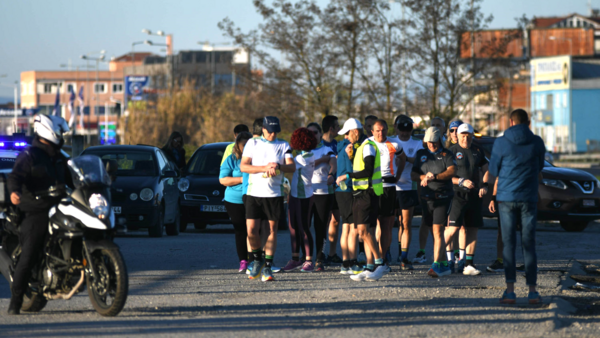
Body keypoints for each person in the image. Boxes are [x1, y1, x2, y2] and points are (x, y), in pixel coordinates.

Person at [7, 114, 72, 315]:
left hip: (59, 207)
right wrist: (14, 192)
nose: (62, 136)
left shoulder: (60, 157)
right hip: (36, 209)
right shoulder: (31, 155)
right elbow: (15, 176)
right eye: (60, 132)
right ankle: (16, 301)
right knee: (30, 253)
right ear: (49, 131)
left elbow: (75, 177)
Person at [488, 109, 545, 304]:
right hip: (528, 198)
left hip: (506, 198)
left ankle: (510, 291)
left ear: (511, 122)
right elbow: (540, 167)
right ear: (528, 122)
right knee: (529, 244)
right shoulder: (537, 142)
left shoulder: (501, 142)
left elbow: (493, 170)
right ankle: (532, 292)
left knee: (509, 243)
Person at [241, 116, 295, 282]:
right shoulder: (252, 143)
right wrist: (264, 168)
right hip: (254, 192)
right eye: (270, 131)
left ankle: (268, 266)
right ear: (263, 129)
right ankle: (257, 260)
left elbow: (292, 166)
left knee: (272, 230)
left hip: (274, 194)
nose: (273, 134)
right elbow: (244, 166)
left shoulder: (284, 145)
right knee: (251, 230)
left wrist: (278, 166)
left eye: (275, 131)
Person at [336, 122, 388, 282]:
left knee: (364, 231)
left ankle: (380, 264)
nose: (346, 137)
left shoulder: (367, 146)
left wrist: (348, 175)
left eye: (348, 133)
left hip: (367, 193)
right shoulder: (361, 146)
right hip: (362, 193)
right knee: (365, 232)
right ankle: (370, 266)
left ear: (355, 132)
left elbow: (368, 170)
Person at [445, 123, 489, 276]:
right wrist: (461, 181)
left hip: (474, 195)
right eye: (463, 135)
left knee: (472, 228)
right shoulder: (451, 151)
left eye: (468, 135)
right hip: (457, 195)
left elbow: (486, 169)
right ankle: (444, 259)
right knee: (452, 229)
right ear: (457, 136)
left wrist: (485, 185)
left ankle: (468, 263)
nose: (466, 138)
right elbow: (446, 176)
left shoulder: (478, 150)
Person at [411, 127, 456, 278]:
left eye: (434, 142)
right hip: (426, 198)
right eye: (428, 142)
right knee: (433, 231)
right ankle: (443, 263)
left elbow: (452, 171)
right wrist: (423, 177)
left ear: (439, 140)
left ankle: (436, 264)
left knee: (438, 230)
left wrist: (434, 177)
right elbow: (413, 174)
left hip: (443, 197)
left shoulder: (447, 154)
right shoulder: (421, 154)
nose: (431, 145)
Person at [282, 128, 326, 272]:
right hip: (295, 195)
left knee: (304, 228)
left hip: (304, 197)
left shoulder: (304, 158)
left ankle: (308, 260)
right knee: (293, 228)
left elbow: (289, 167)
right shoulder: (305, 155)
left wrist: (287, 151)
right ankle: (295, 259)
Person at [369, 120, 406, 269]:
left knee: (386, 226)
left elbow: (402, 159)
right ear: (372, 131)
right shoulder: (367, 144)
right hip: (372, 188)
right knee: (371, 226)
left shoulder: (395, 144)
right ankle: (372, 259)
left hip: (389, 187)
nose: (380, 133)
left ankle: (383, 258)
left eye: (383, 130)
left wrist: (398, 176)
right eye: (377, 130)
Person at [390, 115, 423, 270]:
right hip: (389, 187)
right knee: (387, 223)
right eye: (402, 129)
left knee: (405, 224)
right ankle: (384, 255)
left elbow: (420, 162)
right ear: (396, 127)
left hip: (407, 187)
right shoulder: (389, 140)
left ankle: (403, 256)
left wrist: (404, 159)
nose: (404, 133)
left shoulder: (417, 143)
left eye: (408, 129)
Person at [220, 131, 254, 273]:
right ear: (237, 146)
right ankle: (243, 261)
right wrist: (242, 179)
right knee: (240, 230)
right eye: (243, 145)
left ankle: (254, 260)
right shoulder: (231, 159)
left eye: (248, 144)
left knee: (253, 230)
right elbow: (223, 180)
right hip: (234, 200)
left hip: (253, 197)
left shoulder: (257, 159)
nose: (246, 147)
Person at [413, 117, 446, 264]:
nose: (435, 127)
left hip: (444, 193)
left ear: (443, 128)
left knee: (442, 227)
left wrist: (437, 176)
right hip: (426, 193)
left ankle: (444, 256)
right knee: (426, 223)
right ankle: (422, 251)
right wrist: (423, 177)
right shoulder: (423, 150)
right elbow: (415, 171)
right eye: (433, 125)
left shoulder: (448, 145)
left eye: (438, 125)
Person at [307, 122, 337, 271]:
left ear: (320, 134)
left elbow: (333, 162)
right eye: (309, 133)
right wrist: (320, 160)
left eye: (315, 132)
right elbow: (303, 167)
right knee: (305, 227)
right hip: (305, 193)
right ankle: (305, 258)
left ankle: (319, 259)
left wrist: (331, 173)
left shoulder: (327, 149)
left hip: (323, 194)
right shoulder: (302, 152)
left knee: (320, 227)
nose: (312, 135)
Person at [335, 119, 363, 275]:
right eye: (346, 133)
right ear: (356, 131)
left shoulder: (341, 147)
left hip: (341, 191)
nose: (346, 136)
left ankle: (345, 264)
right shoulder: (350, 148)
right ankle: (352, 263)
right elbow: (354, 170)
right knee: (353, 228)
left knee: (345, 227)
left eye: (347, 133)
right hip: (348, 189)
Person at [321, 115, 342, 265]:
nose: (339, 129)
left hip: (337, 188)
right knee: (323, 221)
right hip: (321, 189)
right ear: (331, 128)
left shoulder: (338, 145)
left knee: (336, 220)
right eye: (337, 126)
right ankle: (319, 253)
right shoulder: (318, 145)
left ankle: (332, 253)